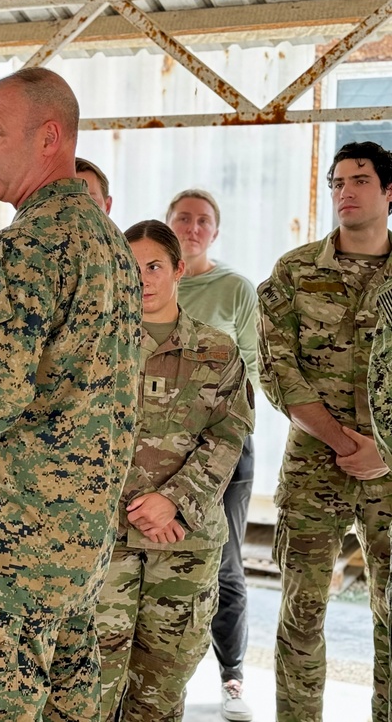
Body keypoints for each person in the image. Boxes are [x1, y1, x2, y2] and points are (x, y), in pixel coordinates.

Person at [0, 67, 142, 719]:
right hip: (73, 553)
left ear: (48, 137)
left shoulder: (30, 246)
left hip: (1, 567)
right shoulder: (107, 242)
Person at [96, 221, 253, 721]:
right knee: (90, 689)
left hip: (181, 543)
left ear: (179, 269)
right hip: (105, 542)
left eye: (154, 267)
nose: (143, 279)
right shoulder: (93, 349)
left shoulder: (218, 351)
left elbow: (229, 437)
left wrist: (175, 501)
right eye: (132, 267)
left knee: (160, 692)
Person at [258, 140, 392, 722]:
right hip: (316, 466)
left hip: (391, 476)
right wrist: (345, 443)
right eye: (337, 182)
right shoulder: (295, 271)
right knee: (302, 613)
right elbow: (277, 370)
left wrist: (386, 454)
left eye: (360, 180)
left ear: (390, 192)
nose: (346, 191)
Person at [165, 188, 258, 720]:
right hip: (155, 447)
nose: (192, 227)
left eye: (203, 221)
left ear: (214, 233)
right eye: (183, 218)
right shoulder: (149, 278)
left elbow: (250, 369)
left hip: (224, 447)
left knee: (224, 565)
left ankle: (233, 678)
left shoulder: (235, 290)